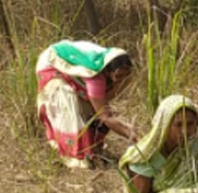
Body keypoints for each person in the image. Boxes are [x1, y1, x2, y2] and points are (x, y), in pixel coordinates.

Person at [35, 40, 137, 168]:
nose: (122, 79)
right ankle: (74, 156)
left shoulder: (115, 67)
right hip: (52, 62)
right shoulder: (95, 76)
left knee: (94, 108)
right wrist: (134, 137)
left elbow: (105, 100)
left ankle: (92, 149)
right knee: (68, 104)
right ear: (108, 72)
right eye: (118, 76)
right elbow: (105, 117)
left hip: (72, 59)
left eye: (124, 75)